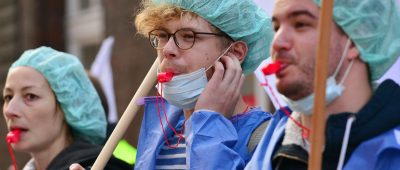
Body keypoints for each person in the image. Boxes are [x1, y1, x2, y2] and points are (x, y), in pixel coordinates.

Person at [246, 0, 400, 169]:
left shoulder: (392, 152)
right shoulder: (271, 147)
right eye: (276, 28)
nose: (276, 43)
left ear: (356, 37)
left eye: (300, 24)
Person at [131, 0, 275, 169]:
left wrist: (209, 126)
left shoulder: (267, 141)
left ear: (235, 52)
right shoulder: (161, 133)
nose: (167, 49)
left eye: (188, 36)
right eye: (162, 36)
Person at [3, 46, 132, 170]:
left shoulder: (101, 166)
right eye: (8, 97)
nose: (10, 111)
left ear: (68, 106)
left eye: (31, 96)